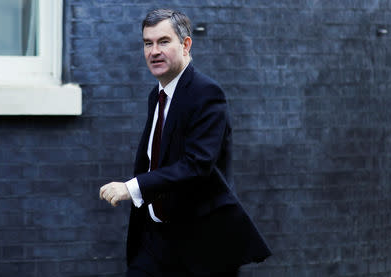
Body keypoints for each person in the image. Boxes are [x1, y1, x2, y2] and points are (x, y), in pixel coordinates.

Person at [100, 8, 271, 277]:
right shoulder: (155, 96)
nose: (154, 51)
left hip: (201, 245)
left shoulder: (206, 94)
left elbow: (196, 166)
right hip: (155, 240)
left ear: (186, 44)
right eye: (148, 43)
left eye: (163, 41)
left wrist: (131, 188)